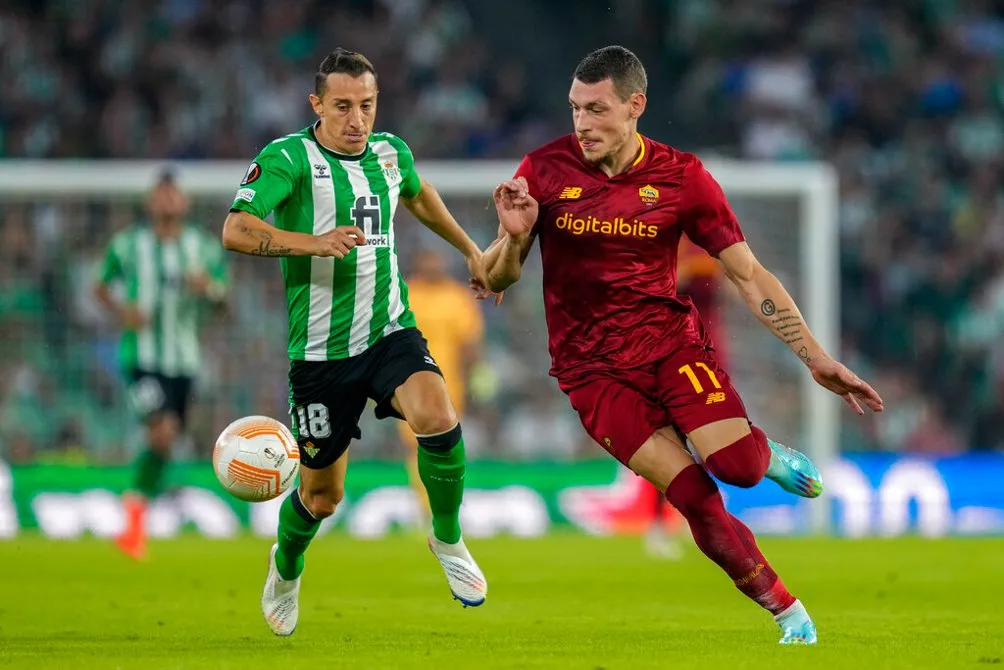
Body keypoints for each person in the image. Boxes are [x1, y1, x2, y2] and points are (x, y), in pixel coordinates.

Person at [475, 46, 884, 645]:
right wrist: (513, 241)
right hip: (592, 375)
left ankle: (765, 455)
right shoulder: (544, 169)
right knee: (695, 497)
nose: (582, 123)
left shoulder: (682, 177)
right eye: (575, 108)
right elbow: (495, 278)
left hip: (671, 349)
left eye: (597, 109)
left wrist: (815, 358)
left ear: (635, 106)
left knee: (739, 469)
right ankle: (787, 611)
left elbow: (749, 275)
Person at [221, 48, 489, 637]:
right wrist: (311, 243)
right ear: (316, 105)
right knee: (322, 497)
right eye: (342, 106)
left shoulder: (391, 153)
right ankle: (286, 567)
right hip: (320, 355)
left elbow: (417, 194)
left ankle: (447, 538)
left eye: (366, 105)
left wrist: (470, 249)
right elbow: (235, 229)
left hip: (389, 330)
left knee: (439, 419)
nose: (356, 118)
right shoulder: (288, 158)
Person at [96, 171, 229, 560]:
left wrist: (209, 289)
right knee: (163, 432)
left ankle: (136, 512)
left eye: (174, 194)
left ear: (185, 202)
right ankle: (134, 512)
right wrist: (122, 311)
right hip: (141, 357)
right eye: (161, 194)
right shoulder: (128, 245)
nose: (168, 201)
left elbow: (223, 303)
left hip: (184, 361)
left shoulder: (202, 248)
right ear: (150, 202)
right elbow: (100, 286)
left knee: (168, 441)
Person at [399, 249, 485, 530]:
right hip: (408, 384)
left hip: (450, 385)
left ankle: (445, 509)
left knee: (446, 447)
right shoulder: (405, 293)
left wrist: (473, 381)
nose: (433, 263)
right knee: (415, 446)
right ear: (418, 262)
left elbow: (470, 344)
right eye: (427, 258)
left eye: (436, 258)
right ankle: (426, 510)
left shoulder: (457, 297)